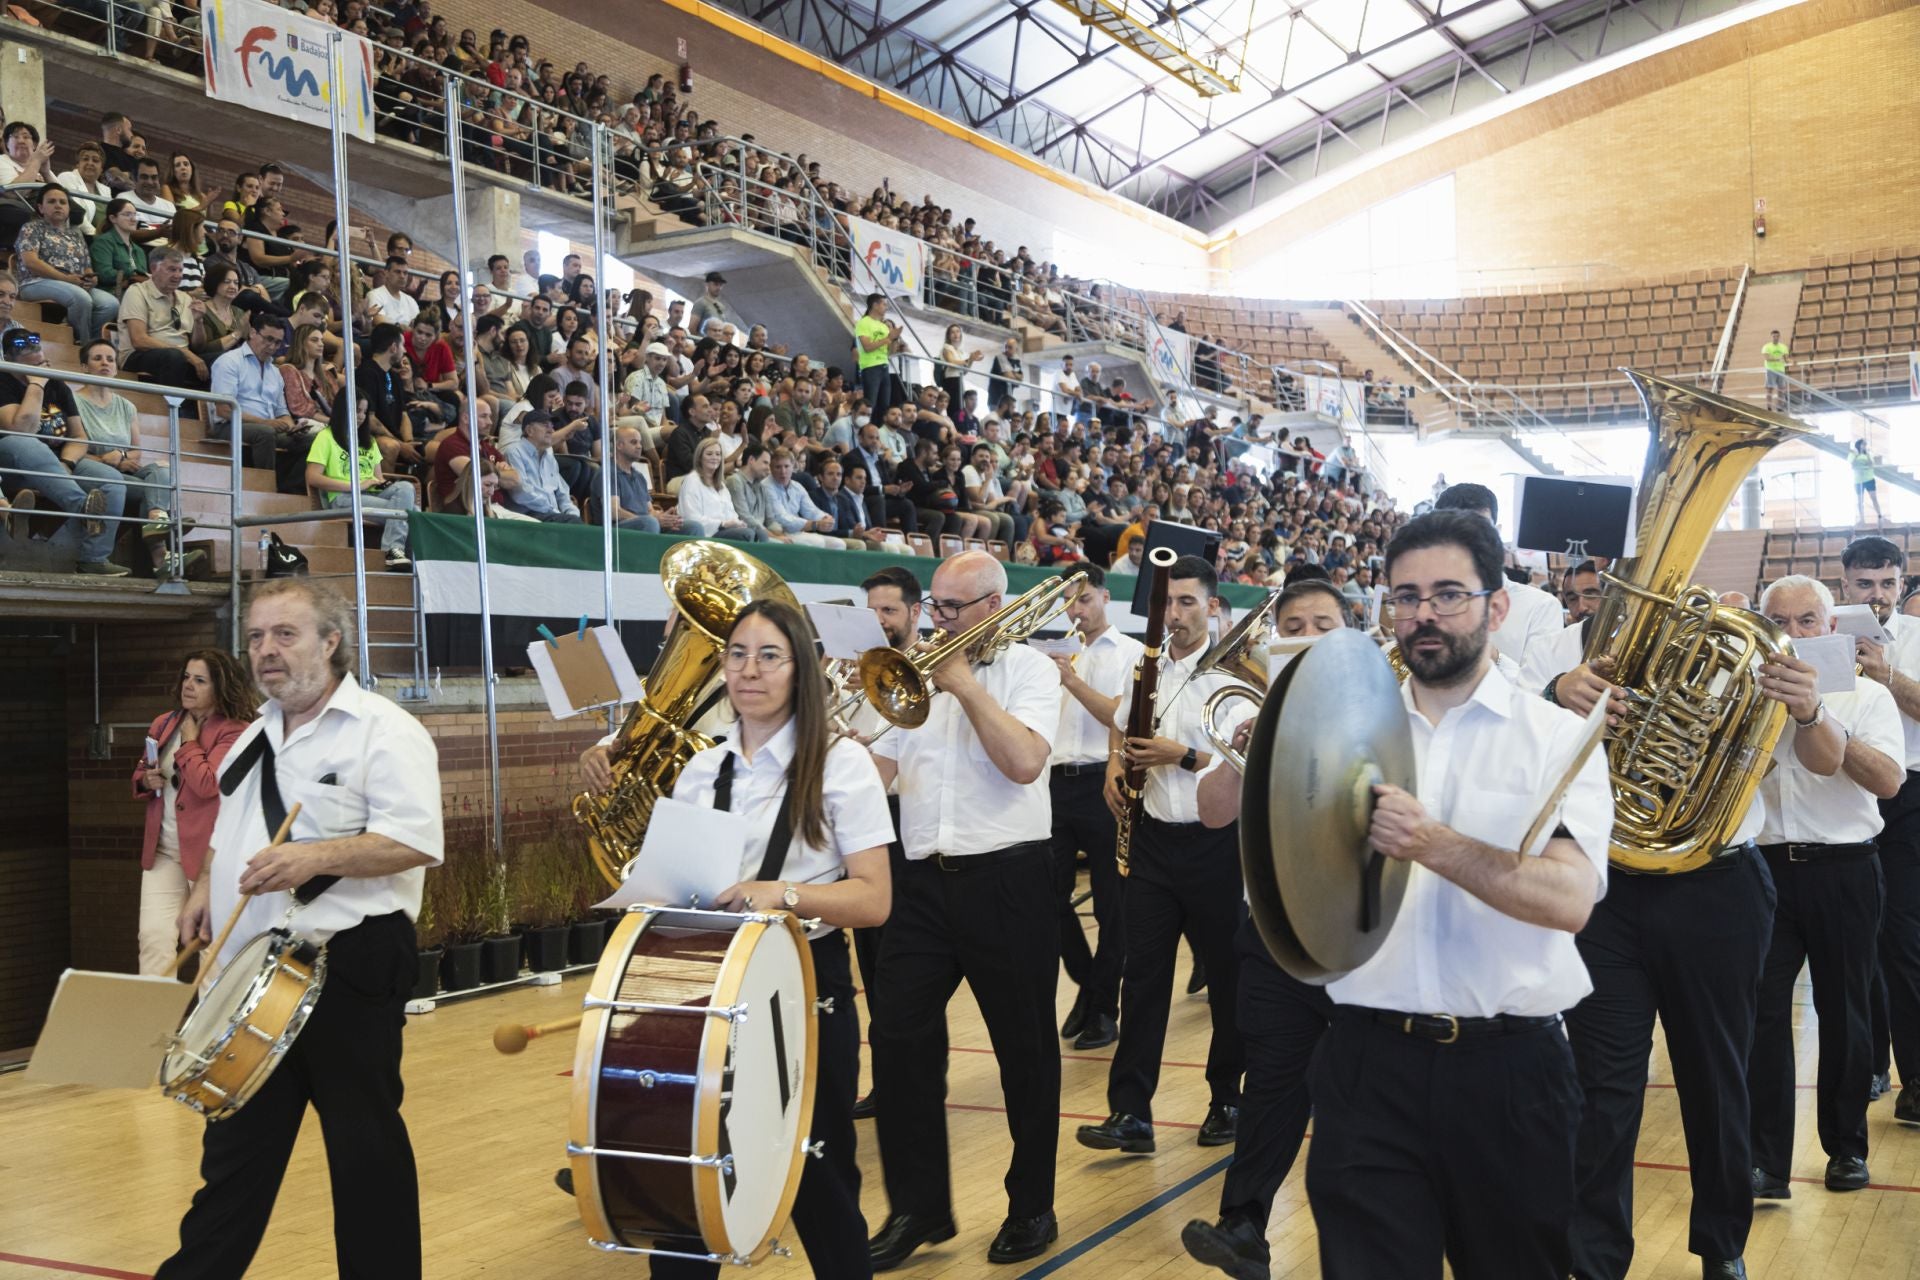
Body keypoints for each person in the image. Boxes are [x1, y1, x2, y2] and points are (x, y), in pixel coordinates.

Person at [1299, 510, 1611, 1277]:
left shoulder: (1559, 737)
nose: (1423, 616)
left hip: (1509, 1078)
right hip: (1365, 1065)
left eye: (1448, 594)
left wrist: (1431, 843)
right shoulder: (1336, 731)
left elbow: (1570, 898)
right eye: (1405, 597)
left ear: (1496, 606)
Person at [586, 598, 893, 1278]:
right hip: (707, 987)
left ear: (803, 669)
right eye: (736, 655)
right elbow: (681, 878)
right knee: (687, 1175)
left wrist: (781, 895)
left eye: (769, 656)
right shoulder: (703, 769)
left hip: (805, 989)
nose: (748, 670)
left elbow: (873, 898)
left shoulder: (843, 765)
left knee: (815, 1175)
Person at [159, 578, 443, 1280]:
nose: (266, 651)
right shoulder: (253, 736)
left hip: (349, 962)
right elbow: (228, 833)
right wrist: (202, 889)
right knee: (232, 1157)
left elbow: (415, 839)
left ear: (330, 641)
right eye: (256, 637)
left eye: (285, 635)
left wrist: (311, 857)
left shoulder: (384, 728)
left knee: (363, 1150)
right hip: (253, 972)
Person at [866, 551, 1063, 1270]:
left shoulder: (1031, 671)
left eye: (950, 608)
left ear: (992, 606)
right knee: (896, 1039)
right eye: (933, 608)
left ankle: (1031, 1205)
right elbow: (877, 771)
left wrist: (966, 687)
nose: (936, 621)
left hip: (1007, 880)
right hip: (921, 886)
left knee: (1025, 1052)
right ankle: (918, 1207)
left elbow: (1023, 762)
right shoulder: (911, 676)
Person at [1181, 579, 1348, 1279]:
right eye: (1294, 623)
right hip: (1274, 937)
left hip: (1354, 946)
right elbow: (1214, 813)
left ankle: (1355, 1246)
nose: (1306, 634)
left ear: (1348, 632)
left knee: (1352, 1107)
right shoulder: (1260, 716)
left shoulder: (1383, 710)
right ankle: (1243, 1224)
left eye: (1322, 623)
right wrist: (1243, 752)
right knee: (1273, 1087)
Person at [1078, 555, 1243, 1155]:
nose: (1173, 615)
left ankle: (1226, 1098)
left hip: (1214, 846)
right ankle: (1131, 1112)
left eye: (1187, 603)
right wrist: (1115, 766)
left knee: (1227, 978)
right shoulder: (1146, 666)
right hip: (1152, 842)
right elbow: (1123, 726)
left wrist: (1185, 756)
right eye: (1166, 604)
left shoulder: (1234, 676)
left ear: (1213, 607)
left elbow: (1244, 768)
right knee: (1142, 977)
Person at [1747, 575, 1902, 1198]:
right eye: (1778, 622)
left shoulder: (1868, 697)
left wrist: (1815, 714)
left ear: (1832, 627)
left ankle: (1845, 1149)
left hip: (1845, 868)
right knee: (1758, 1019)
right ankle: (1765, 1162)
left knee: (1845, 1013)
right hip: (1761, 872)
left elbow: (1889, 782)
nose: (1791, 635)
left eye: (1806, 621)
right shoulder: (1738, 698)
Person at [1837, 537, 1920, 1126]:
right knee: (1852, 939)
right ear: (1845, 584)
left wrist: (1887, 676)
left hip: (1909, 794)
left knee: (1902, 938)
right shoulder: (1818, 637)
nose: (1878, 596)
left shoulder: (1916, 639)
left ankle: (1915, 1078)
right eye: (1866, 584)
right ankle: (1867, 1063)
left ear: (1901, 582)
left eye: (1888, 583)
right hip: (1839, 792)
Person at [1045, 562, 1141, 1051]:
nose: (1076, 610)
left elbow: (1117, 716)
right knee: (1048, 899)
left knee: (1111, 906)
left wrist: (1071, 681)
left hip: (1104, 782)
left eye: (1084, 599)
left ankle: (1104, 1008)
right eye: (1069, 601)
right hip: (1052, 785)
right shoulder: (1049, 650)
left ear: (1105, 597)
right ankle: (1088, 982)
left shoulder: (1131, 653)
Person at [132, 650, 254, 976]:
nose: (189, 685)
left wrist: (189, 744)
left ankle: (208, 1027)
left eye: (200, 680)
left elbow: (209, 784)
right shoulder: (164, 723)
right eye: (186, 677)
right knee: (154, 938)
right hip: (163, 850)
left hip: (208, 857)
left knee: (209, 946)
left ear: (220, 687)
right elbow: (142, 771)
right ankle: (154, 1023)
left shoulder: (235, 731)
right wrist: (146, 779)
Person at [0, 326, 129, 575]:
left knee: (112, 481)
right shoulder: (3, 379)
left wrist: (67, 463)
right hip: (14, 460)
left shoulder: (57, 385)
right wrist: (36, 383)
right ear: (9, 359)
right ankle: (82, 508)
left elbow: (79, 436)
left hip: (58, 463)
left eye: (37, 351)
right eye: (26, 354)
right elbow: (20, 428)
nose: (35, 357)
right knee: (27, 443)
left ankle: (93, 558)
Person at [73, 339, 193, 576]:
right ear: (84, 367)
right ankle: (161, 557)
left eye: (110, 359)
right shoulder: (74, 400)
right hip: (88, 465)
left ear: (117, 367)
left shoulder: (127, 405)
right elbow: (72, 447)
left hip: (121, 468)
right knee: (139, 486)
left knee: (161, 469)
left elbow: (136, 451)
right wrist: (107, 460)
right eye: (97, 359)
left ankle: (156, 522)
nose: (105, 364)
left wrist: (121, 456)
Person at [1433, 483, 1562, 667]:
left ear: (1497, 532)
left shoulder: (1540, 607)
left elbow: (1541, 688)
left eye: (1479, 527)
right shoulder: (1427, 603)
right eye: (1453, 530)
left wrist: (1494, 658)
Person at [305, 395, 416, 570]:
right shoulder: (325, 437)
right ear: (344, 410)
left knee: (405, 488)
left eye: (364, 412)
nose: (362, 416)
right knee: (413, 512)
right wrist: (354, 486)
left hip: (370, 494)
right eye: (357, 410)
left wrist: (379, 483)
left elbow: (378, 478)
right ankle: (397, 552)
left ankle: (397, 553)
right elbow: (312, 477)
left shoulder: (369, 441)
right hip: (343, 498)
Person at [15, 184, 119, 342]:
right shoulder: (31, 228)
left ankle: (90, 341)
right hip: (34, 282)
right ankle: (83, 346)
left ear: (69, 208)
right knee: (82, 298)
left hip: (73, 284)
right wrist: (65, 279)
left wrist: (91, 279)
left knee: (110, 303)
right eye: (52, 201)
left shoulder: (76, 234)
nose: (58, 205)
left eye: (63, 202)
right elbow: (31, 262)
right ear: (41, 208)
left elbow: (87, 266)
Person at [675, 434, 760, 541]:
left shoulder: (721, 485)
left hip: (723, 530)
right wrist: (723, 523)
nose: (714, 458)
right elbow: (691, 517)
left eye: (718, 454)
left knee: (759, 533)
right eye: (709, 454)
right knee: (746, 534)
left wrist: (737, 523)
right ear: (699, 458)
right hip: (707, 533)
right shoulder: (692, 480)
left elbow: (731, 513)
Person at [500, 412, 581, 524]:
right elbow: (521, 494)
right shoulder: (514, 452)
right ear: (529, 430)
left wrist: (572, 512)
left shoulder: (549, 456)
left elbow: (562, 492)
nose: (551, 431)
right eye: (545, 425)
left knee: (579, 525)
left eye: (552, 426)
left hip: (551, 515)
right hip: (528, 515)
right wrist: (555, 511)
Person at [854, 293, 898, 423]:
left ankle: (877, 434)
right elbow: (867, 347)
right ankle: (864, 430)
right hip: (870, 367)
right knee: (870, 404)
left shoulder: (884, 326)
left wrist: (894, 339)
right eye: (884, 304)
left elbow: (890, 353)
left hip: (884, 367)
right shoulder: (863, 322)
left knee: (884, 406)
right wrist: (888, 339)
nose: (886, 307)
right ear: (874, 305)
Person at [1852, 439, 1883, 525]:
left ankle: (1880, 515)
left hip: (1869, 479)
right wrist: (1857, 454)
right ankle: (1862, 519)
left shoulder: (1869, 454)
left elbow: (1871, 465)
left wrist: (1868, 454)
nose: (1864, 446)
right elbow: (1852, 464)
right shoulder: (1853, 454)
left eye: (1865, 445)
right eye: (1863, 444)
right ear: (1859, 445)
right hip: (1858, 480)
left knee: (1874, 498)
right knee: (1859, 500)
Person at [1762, 329, 1789, 412]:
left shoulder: (1783, 347)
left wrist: (1793, 361)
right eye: (1774, 336)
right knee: (1770, 388)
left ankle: (1779, 406)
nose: (1775, 338)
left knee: (1781, 389)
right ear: (1771, 337)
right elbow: (1767, 358)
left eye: (1777, 336)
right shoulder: (1767, 347)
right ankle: (1769, 406)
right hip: (1771, 370)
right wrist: (1777, 359)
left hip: (1781, 370)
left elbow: (1786, 359)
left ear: (1779, 337)